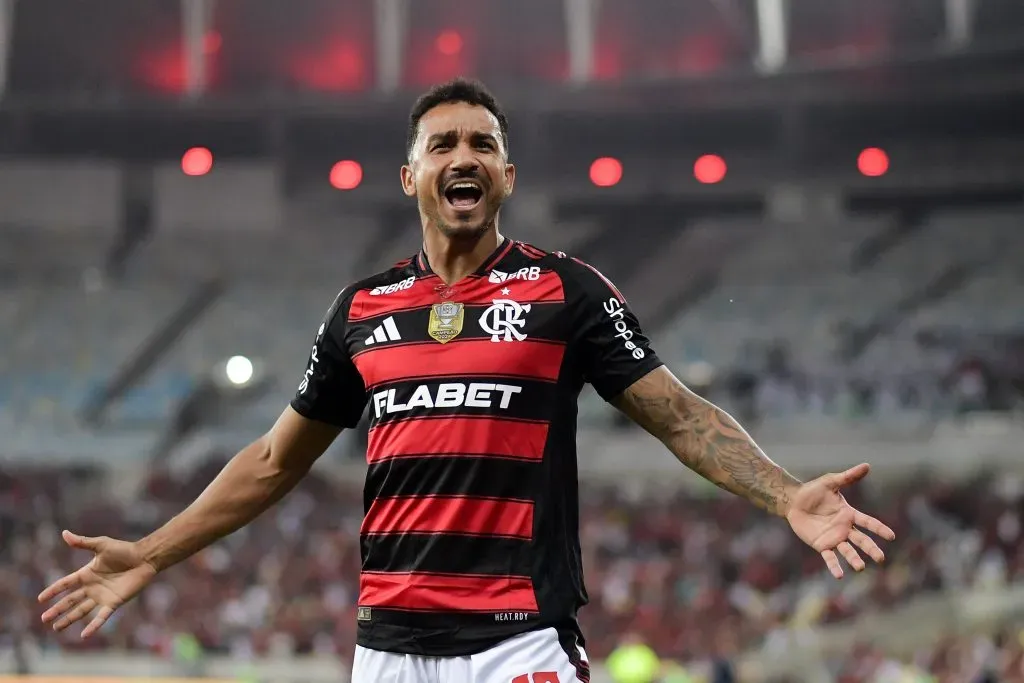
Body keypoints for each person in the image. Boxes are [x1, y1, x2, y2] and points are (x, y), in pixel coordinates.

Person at [39, 79, 895, 683]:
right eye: (442, 143)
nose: (465, 155)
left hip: (516, 644)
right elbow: (271, 463)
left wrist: (787, 496)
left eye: (483, 144)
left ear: (506, 178)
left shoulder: (566, 289)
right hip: (386, 646)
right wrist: (149, 554)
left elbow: (677, 415)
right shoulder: (361, 309)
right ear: (410, 176)